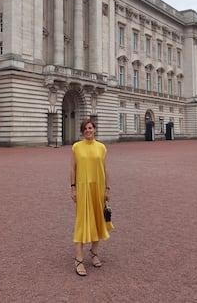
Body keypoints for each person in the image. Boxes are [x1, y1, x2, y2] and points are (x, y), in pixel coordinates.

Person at [70, 118, 114, 276]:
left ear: (94, 130)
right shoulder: (76, 147)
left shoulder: (102, 147)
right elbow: (73, 169)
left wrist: (107, 188)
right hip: (83, 187)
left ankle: (94, 252)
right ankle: (79, 258)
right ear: (82, 131)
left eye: (90, 128)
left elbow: (105, 168)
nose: (88, 130)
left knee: (97, 219)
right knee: (82, 221)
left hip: (98, 187)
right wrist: (73, 188)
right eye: (85, 128)